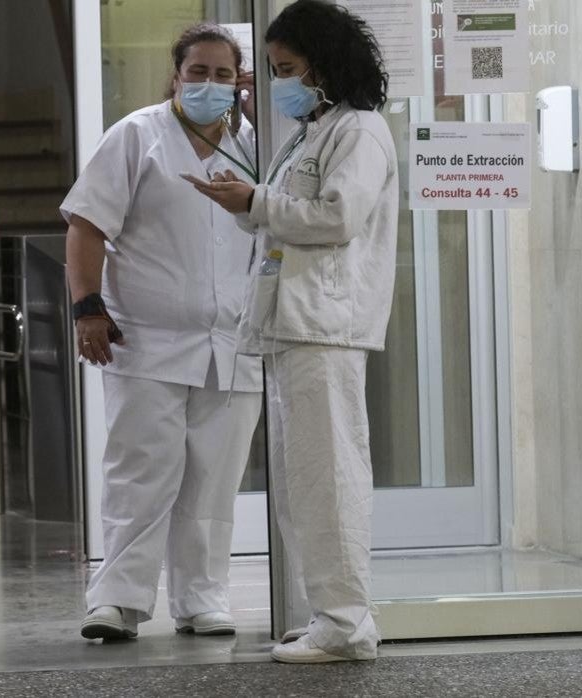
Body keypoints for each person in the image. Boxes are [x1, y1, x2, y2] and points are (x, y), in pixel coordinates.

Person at [188, 0, 398, 663]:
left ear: (327, 65)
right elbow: (288, 213)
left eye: (289, 69)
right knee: (307, 481)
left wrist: (256, 202)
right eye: (274, 70)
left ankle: (343, 626)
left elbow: (337, 218)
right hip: (294, 326)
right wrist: (250, 202)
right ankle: (335, 617)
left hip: (325, 325)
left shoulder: (359, 131)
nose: (280, 82)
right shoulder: (314, 131)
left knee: (329, 479)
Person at [63, 24, 264, 641]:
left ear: (241, 83)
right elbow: (86, 225)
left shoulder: (259, 146)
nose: (208, 83)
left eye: (222, 74)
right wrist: (87, 308)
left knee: (213, 479)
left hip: (233, 343)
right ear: (175, 76)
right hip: (145, 338)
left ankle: (202, 598)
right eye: (196, 72)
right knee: (141, 472)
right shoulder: (137, 136)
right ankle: (118, 601)